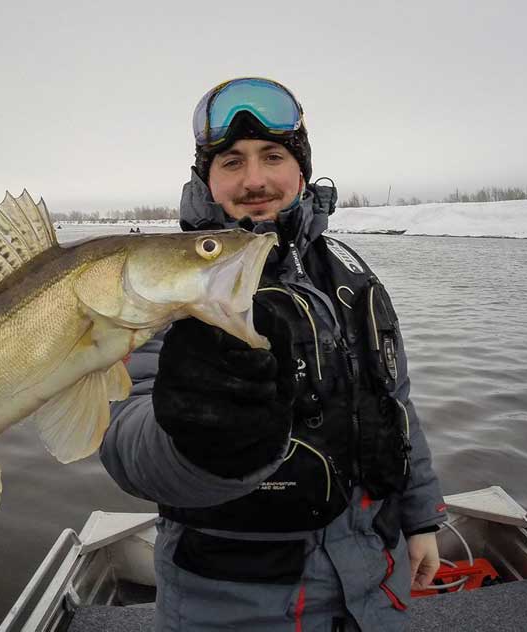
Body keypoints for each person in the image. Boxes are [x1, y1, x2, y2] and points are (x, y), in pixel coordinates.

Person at [100, 77, 446, 631]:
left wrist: (421, 517)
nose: (255, 179)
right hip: (232, 602)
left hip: (376, 587)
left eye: (273, 157)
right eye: (231, 162)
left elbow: (395, 402)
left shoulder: (349, 274)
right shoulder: (165, 285)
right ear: (206, 181)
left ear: (301, 172)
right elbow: (125, 443)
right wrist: (206, 441)